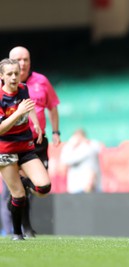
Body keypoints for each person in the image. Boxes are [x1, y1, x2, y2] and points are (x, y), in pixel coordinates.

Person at [0, 46, 61, 238]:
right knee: (17, 195)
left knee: (44, 187)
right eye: (9, 74)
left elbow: (30, 106)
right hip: (6, 151)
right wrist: (18, 113)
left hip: (26, 146)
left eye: (16, 74)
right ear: (1, 76)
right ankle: (18, 232)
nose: (14, 77)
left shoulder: (24, 88)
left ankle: (24, 185)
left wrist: (36, 124)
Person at [60, 128, 102, 194]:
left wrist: (71, 145)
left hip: (86, 188)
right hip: (75, 187)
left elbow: (68, 159)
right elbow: (64, 160)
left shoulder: (87, 147)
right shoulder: (70, 148)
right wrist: (71, 145)